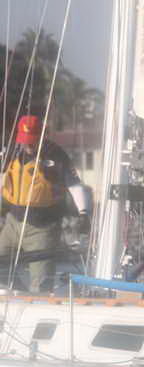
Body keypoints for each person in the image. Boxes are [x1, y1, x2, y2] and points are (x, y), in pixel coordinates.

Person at [0, 114, 88, 293]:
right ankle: (17, 291)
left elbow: (74, 185)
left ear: (42, 136)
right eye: (24, 140)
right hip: (13, 222)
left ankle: (38, 296)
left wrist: (84, 212)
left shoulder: (57, 156)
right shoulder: (11, 152)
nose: (28, 145)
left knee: (41, 283)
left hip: (42, 228)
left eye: (32, 141)